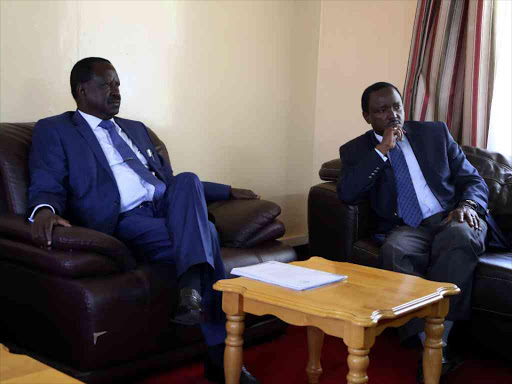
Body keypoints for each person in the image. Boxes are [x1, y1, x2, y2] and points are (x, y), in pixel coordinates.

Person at [27, 57, 259, 384]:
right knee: (205, 231)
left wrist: (227, 191)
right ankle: (219, 353)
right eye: (107, 84)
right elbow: (46, 179)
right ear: (81, 90)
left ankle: (192, 292)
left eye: (118, 84)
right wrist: (44, 210)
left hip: (166, 207)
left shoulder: (136, 129)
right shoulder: (57, 130)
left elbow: (170, 181)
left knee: (188, 179)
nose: (116, 91)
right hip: (124, 218)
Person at [337, 82, 509, 383]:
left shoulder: (434, 134)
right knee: (395, 250)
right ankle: (427, 346)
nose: (392, 115)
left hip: (452, 216)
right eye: (381, 110)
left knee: (460, 235)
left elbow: (473, 180)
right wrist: (381, 151)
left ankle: (438, 344)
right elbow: (348, 193)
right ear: (367, 116)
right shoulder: (356, 151)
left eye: (397, 106)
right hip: (409, 227)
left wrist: (467, 204)